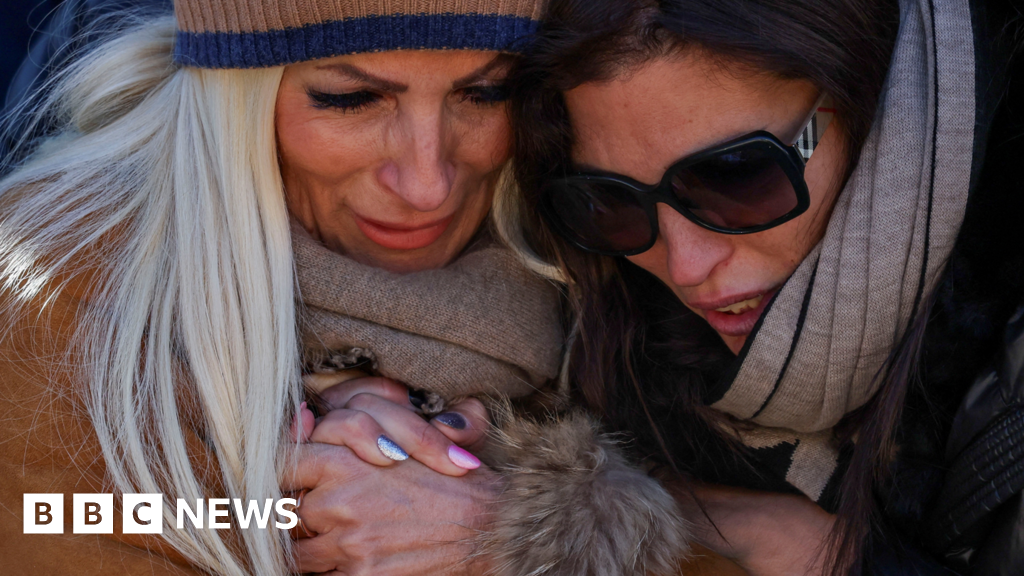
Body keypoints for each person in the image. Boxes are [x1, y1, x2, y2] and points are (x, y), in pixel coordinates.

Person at [0, 1, 696, 575]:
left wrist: (530, 518)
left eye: (485, 93)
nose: (429, 183)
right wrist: (291, 514)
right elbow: (61, 514)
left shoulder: (601, 243)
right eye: (351, 98)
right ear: (240, 93)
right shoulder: (66, 275)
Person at [505, 0, 1024, 573]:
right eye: (609, 203)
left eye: (734, 176)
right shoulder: (602, 350)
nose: (685, 265)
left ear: (874, 110)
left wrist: (817, 554)